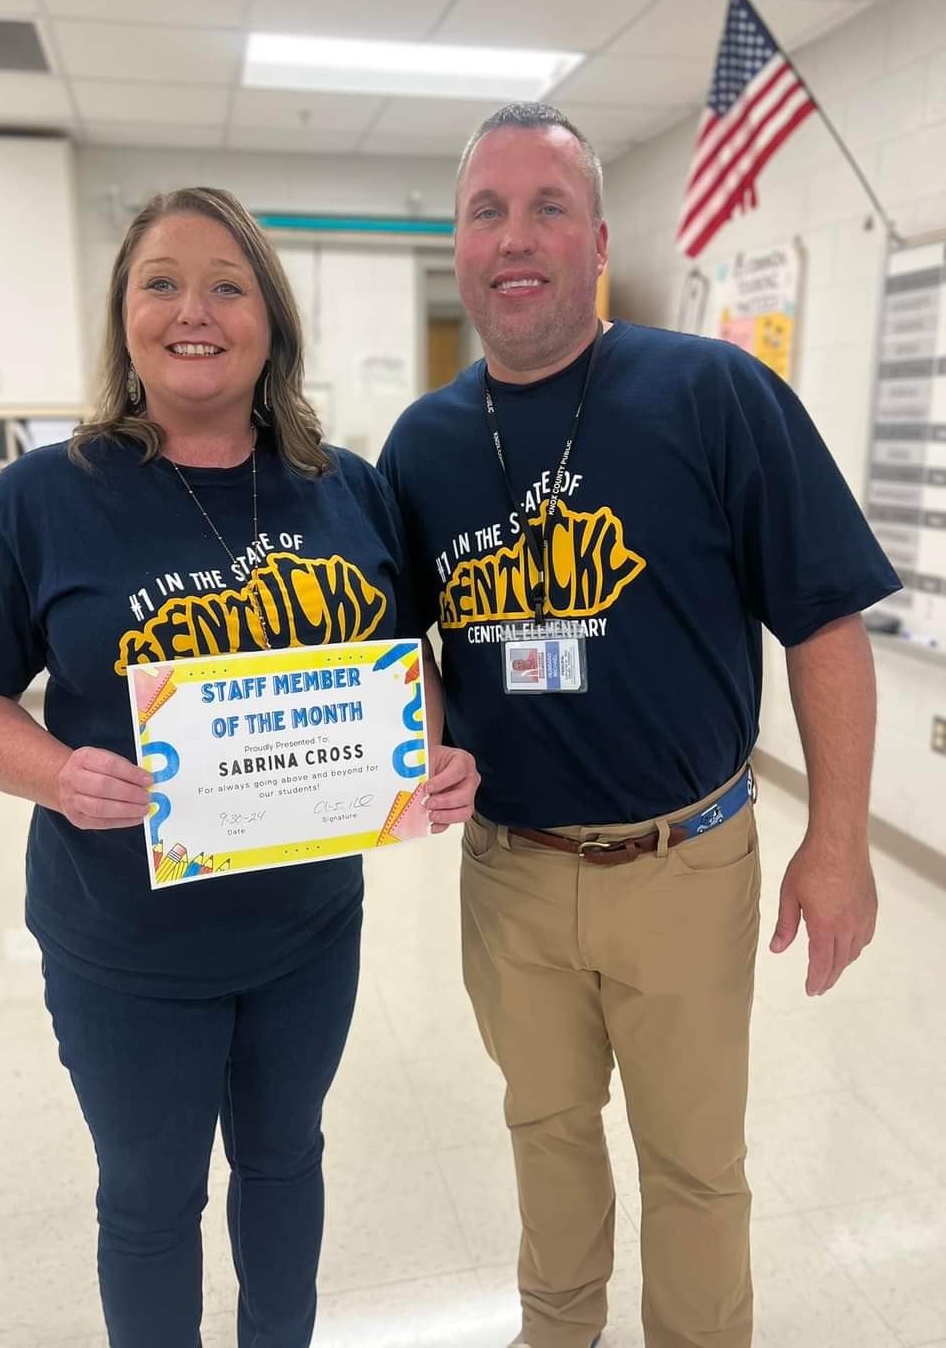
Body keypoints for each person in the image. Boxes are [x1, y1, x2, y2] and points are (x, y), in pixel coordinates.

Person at [0, 186, 478, 1348]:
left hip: (306, 931)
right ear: (124, 318)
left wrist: (429, 757)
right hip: (124, 942)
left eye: (227, 283)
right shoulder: (43, 499)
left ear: (269, 318)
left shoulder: (348, 487)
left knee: (283, 1166)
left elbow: (401, 665)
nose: (193, 310)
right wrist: (58, 772)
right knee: (151, 1199)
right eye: (160, 282)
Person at [378, 104, 900, 1348]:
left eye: (548, 206)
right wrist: (419, 741)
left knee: (695, 1168)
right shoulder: (424, 445)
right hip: (509, 872)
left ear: (598, 238)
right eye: (487, 209)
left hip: (686, 862)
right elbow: (410, 655)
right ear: (457, 244)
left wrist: (839, 842)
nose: (517, 236)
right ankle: (556, 1331)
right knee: (545, 1140)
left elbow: (825, 622)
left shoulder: (713, 393)